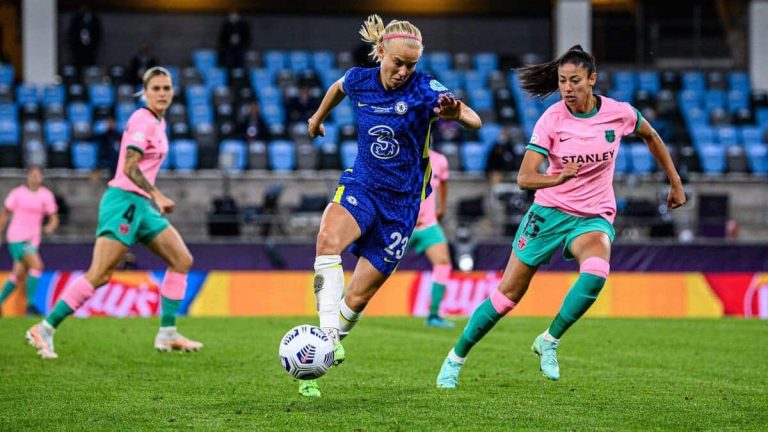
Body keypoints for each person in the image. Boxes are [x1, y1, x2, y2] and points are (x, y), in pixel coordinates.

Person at [436, 45, 686, 388]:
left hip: (593, 216)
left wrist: (674, 183)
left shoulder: (618, 113)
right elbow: (524, 178)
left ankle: (549, 340)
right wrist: (559, 178)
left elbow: (651, 136)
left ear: (592, 80)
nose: (567, 88)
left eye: (575, 81)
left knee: (597, 272)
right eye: (562, 81)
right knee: (507, 296)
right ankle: (455, 359)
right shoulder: (552, 119)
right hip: (549, 213)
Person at [300, 14, 481, 397]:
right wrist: (317, 119)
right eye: (398, 62)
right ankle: (326, 340)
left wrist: (455, 114)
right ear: (380, 51)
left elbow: (474, 120)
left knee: (359, 296)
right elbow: (337, 87)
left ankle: (325, 347)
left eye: (410, 65)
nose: (403, 71)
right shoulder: (359, 80)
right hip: (362, 185)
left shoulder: (425, 88)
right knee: (326, 239)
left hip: (402, 205)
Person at [25, 67, 202, 359]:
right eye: (155, 88)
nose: (161, 93)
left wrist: (150, 197)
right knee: (100, 274)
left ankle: (168, 334)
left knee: (181, 259)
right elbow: (130, 167)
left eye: (166, 88)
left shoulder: (159, 123)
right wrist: (157, 194)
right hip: (124, 201)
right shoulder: (142, 120)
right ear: (145, 93)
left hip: (140, 205)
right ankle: (44, 328)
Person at [0, 166, 58, 314]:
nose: (35, 177)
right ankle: (30, 305)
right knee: (37, 265)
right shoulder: (17, 193)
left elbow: (54, 218)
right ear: (27, 177)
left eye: (38, 175)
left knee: (18, 273)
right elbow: (5, 214)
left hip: (33, 240)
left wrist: (50, 226)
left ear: (42, 177)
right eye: (32, 174)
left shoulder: (46, 195)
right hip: (17, 237)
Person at [408, 149, 454, 328]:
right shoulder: (404, 155)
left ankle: (434, 315)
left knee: (443, 263)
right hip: (403, 226)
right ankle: (345, 304)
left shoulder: (439, 160)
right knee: (377, 266)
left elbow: (443, 183)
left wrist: (442, 207)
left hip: (428, 225)